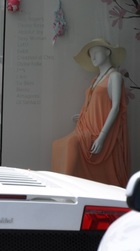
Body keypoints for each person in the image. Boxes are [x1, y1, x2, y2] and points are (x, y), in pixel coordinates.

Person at [51, 38, 129, 187]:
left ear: (107, 52)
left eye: (96, 52)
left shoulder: (114, 77)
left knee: (70, 143)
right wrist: (82, 116)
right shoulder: (95, 80)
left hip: (100, 130)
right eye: (90, 54)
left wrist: (102, 136)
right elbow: (93, 104)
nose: (92, 57)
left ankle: (65, 185)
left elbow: (116, 107)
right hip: (86, 126)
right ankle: (64, 186)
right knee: (58, 144)